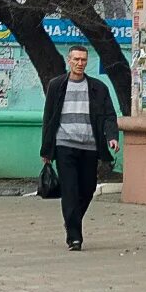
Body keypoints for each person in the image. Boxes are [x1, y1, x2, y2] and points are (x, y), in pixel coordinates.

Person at [39, 44, 120, 251]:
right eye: (76, 59)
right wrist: (46, 151)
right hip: (64, 145)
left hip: (90, 147)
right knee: (70, 190)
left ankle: (72, 221)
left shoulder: (98, 88)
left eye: (83, 60)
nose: (80, 63)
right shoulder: (57, 86)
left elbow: (110, 115)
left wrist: (112, 137)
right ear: (69, 60)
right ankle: (74, 237)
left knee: (88, 188)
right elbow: (49, 118)